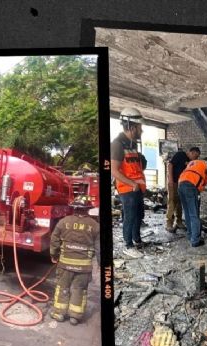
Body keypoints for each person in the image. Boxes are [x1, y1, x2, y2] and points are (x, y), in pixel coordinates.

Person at [50, 196, 101, 325]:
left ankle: (59, 314)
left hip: (65, 264)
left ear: (74, 208)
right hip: (84, 267)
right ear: (88, 209)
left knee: (63, 287)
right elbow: (99, 248)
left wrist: (54, 255)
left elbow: (54, 241)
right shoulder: (95, 225)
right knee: (80, 289)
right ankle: (75, 316)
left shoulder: (63, 222)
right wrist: (100, 264)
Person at [110, 107, 147, 259]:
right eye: (139, 127)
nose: (141, 130)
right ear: (132, 127)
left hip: (137, 188)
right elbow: (114, 170)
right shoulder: (117, 144)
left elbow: (136, 167)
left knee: (139, 215)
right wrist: (132, 184)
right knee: (130, 217)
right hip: (127, 189)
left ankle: (137, 240)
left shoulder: (132, 144)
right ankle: (128, 245)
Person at [177, 155, 207, 247]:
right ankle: (195, 241)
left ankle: (190, 235)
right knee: (194, 215)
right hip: (190, 187)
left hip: (181, 185)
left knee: (187, 213)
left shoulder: (194, 163)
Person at [165, 147, 195, 233]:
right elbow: (170, 165)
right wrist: (170, 179)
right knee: (172, 201)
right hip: (173, 182)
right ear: (191, 152)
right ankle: (169, 223)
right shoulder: (180, 154)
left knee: (179, 202)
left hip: (181, 184)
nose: (195, 158)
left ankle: (179, 221)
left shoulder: (189, 161)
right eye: (195, 156)